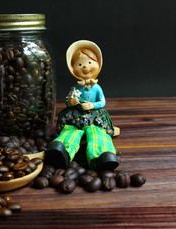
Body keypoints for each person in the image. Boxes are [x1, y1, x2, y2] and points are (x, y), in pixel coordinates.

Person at [45, 40, 120, 171]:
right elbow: (68, 100)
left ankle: (102, 156)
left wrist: (93, 105)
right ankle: (62, 152)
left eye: (90, 62)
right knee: (70, 131)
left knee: (97, 133)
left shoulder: (96, 87)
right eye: (80, 64)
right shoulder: (75, 87)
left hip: (94, 117)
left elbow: (102, 102)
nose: (85, 67)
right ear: (72, 68)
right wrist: (71, 102)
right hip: (75, 117)